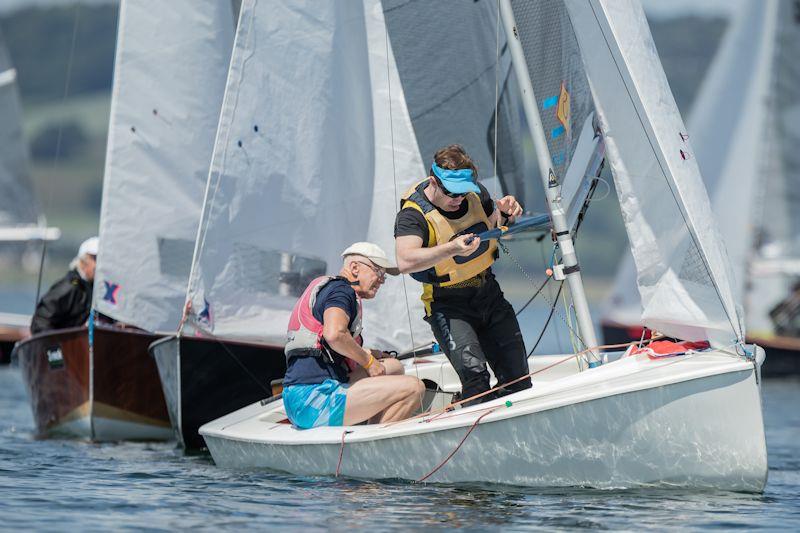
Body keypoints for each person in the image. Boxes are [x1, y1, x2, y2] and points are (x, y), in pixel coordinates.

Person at [394, 144, 530, 406]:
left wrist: (507, 209)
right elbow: (405, 259)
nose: (458, 199)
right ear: (434, 181)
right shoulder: (413, 215)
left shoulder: (476, 195)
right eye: (450, 193)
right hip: (448, 304)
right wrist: (451, 248)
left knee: (518, 379)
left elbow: (494, 219)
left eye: (463, 192)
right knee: (476, 378)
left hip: (488, 292)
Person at [282, 242, 426, 429]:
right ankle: (371, 443)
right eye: (379, 272)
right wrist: (368, 361)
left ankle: (371, 426)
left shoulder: (332, 289)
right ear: (355, 268)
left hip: (301, 397)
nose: (382, 280)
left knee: (394, 367)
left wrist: (369, 352)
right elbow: (335, 335)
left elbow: (327, 343)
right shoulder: (342, 291)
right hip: (313, 400)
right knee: (414, 388)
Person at [30, 236, 98, 335]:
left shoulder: (97, 290)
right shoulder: (69, 287)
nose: (101, 265)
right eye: (96, 258)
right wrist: (57, 345)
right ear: (84, 261)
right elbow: (40, 321)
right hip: (64, 347)